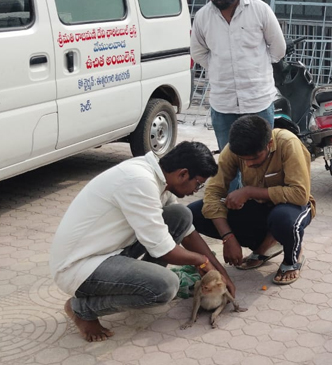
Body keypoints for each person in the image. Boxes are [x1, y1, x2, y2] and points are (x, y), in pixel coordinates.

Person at [50, 142, 234, 343]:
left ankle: (140, 284)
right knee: (166, 286)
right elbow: (165, 251)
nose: (195, 190)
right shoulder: (140, 182)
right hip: (79, 268)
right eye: (198, 183)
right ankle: (81, 309)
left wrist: (221, 274)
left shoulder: (159, 177)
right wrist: (201, 261)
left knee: (180, 215)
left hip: (108, 252)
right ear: (183, 174)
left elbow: (188, 233)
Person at [188, 115, 315, 285]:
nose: (248, 165)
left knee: (283, 220)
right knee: (192, 213)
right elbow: (213, 193)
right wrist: (228, 237)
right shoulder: (233, 150)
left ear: (269, 144)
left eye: (254, 159)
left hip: (294, 207)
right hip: (260, 207)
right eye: (244, 160)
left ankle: (292, 259)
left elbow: (300, 194)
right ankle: (266, 244)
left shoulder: (288, 143)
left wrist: (249, 191)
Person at [190, 0, 286, 152]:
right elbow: (198, 53)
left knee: (261, 163)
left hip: (258, 102)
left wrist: (255, 66)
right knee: (230, 167)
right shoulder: (202, 18)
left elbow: (278, 49)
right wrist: (219, 67)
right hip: (223, 105)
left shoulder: (260, 10)